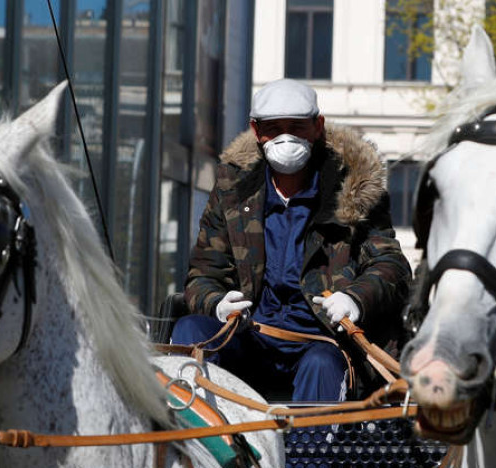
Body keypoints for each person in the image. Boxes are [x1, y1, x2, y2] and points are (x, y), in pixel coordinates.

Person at [170, 79, 411, 402]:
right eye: (274, 128)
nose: (286, 137)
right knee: (190, 331)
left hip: (323, 342)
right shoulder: (231, 191)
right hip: (249, 337)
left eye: (296, 127)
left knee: (321, 365)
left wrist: (355, 298)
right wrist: (216, 303)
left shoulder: (354, 190)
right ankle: (208, 447)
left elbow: (391, 265)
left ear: (317, 127)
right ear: (257, 132)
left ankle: (305, 454)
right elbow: (203, 274)